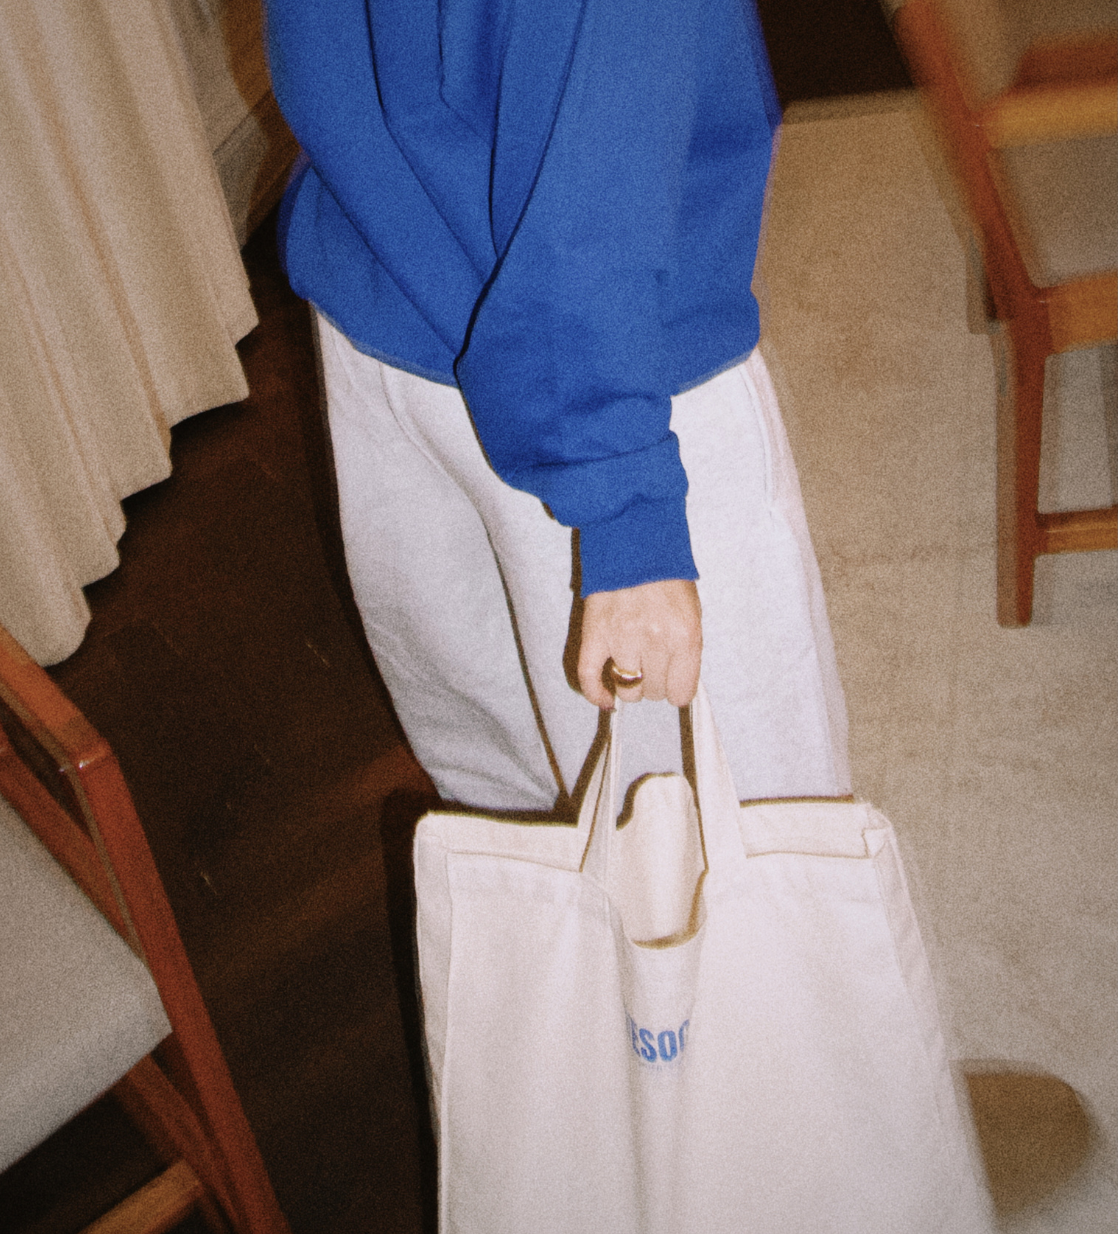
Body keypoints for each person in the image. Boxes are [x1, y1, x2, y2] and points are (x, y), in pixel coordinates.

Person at [265, 0, 851, 812]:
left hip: (381, 302)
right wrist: (628, 509)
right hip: (607, 366)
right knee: (742, 821)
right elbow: (601, 130)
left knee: (510, 796)